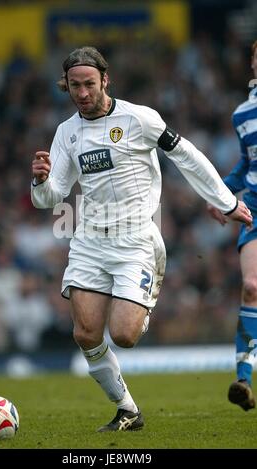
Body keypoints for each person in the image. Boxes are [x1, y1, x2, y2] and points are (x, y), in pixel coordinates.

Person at [31, 46, 252, 431]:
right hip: (89, 240)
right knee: (84, 333)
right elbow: (52, 197)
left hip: (135, 240)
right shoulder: (66, 132)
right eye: (73, 86)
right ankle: (127, 410)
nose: (81, 93)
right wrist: (40, 180)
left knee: (124, 335)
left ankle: (141, 299)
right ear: (65, 86)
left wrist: (227, 201)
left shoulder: (139, 119)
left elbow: (189, 157)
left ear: (105, 79)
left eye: (88, 84)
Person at [207, 40, 257, 411]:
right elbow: (246, 165)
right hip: (254, 206)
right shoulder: (242, 114)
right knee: (252, 287)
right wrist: (219, 193)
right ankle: (244, 380)